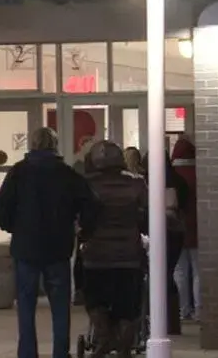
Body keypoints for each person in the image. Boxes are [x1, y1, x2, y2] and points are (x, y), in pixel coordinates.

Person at [0, 127, 97, 358]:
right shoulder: (67, 174)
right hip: (58, 247)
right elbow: (89, 204)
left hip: (26, 247)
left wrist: (13, 227)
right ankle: (60, 352)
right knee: (60, 307)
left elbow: (3, 204)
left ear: (31, 145)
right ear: (55, 145)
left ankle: (27, 352)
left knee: (26, 305)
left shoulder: (18, 173)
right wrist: (82, 230)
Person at [79, 141, 148, 358]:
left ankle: (103, 338)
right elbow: (147, 217)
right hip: (129, 255)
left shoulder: (86, 184)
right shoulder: (137, 184)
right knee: (128, 306)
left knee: (95, 300)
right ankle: (125, 348)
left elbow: (81, 218)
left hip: (95, 256)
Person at [171, 136, 200, 321]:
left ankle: (183, 309)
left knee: (180, 271)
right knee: (198, 271)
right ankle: (200, 310)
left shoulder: (170, 175)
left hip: (177, 227)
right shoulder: (199, 173)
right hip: (197, 227)